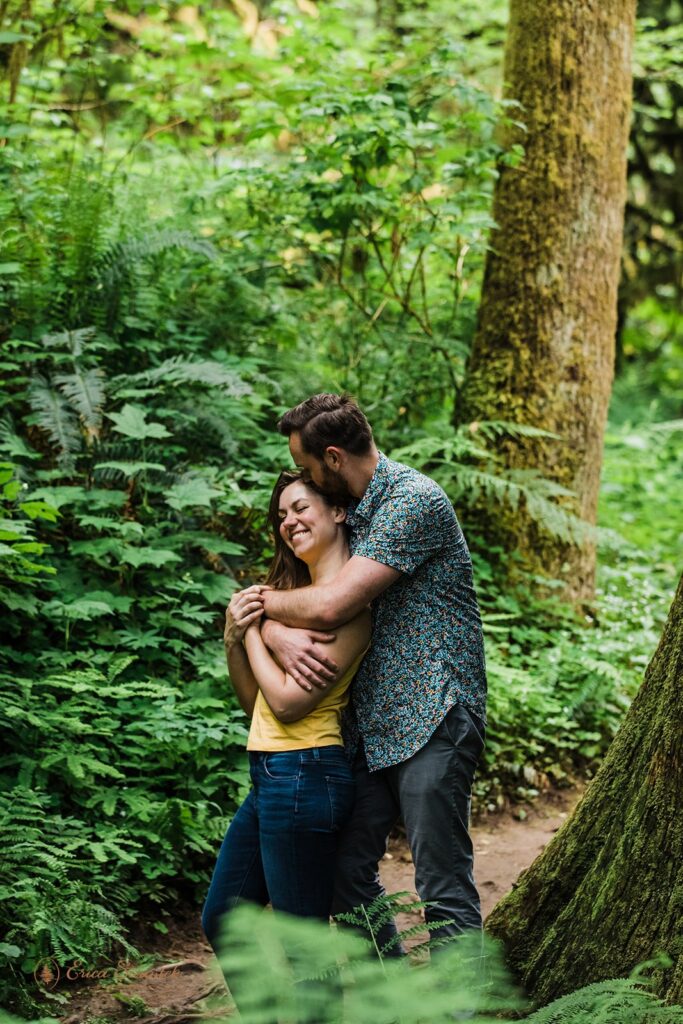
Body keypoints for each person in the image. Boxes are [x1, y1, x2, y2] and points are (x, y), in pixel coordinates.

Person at [257, 393, 487, 954]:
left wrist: (260, 611)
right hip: (370, 732)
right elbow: (312, 600)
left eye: (309, 467)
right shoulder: (351, 515)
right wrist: (276, 628)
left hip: (433, 716)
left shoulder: (412, 500)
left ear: (333, 458)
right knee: (346, 872)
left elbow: (331, 605)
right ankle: (391, 995)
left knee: (440, 882)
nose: (306, 479)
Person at [201, 470, 371, 963]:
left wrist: (253, 628)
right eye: (281, 516)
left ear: (338, 512)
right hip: (271, 774)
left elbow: (287, 703)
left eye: (300, 508)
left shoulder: (347, 607)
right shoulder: (294, 598)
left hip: (307, 773)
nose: (289, 522)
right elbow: (253, 702)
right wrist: (236, 638)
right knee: (223, 918)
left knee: (304, 949)